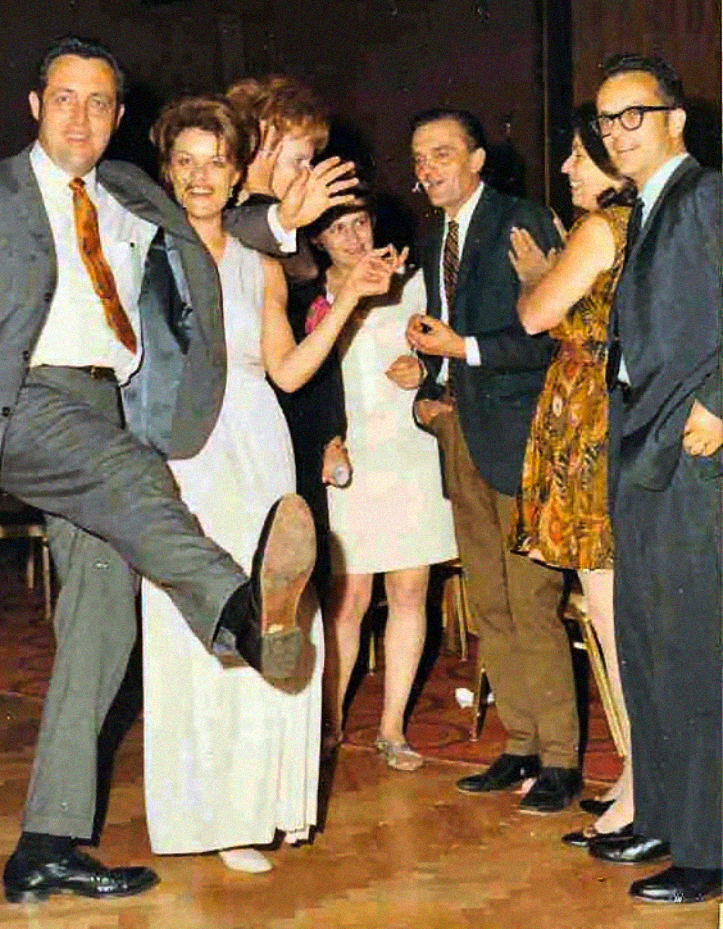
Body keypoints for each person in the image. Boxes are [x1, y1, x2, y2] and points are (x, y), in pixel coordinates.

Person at [0, 36, 357, 902]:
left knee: (104, 619)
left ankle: (47, 841)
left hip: (107, 399)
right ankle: (246, 617)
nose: (81, 116)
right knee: (139, 479)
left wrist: (287, 218)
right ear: (35, 106)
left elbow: (222, 223)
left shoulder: (128, 191)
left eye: (100, 103)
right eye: (64, 99)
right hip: (26, 400)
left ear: (117, 117)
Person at [139, 96, 405, 872]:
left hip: (258, 445)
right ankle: (217, 813)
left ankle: (271, 801)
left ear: (236, 174)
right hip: (190, 453)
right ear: (166, 173)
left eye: (214, 161)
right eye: (183, 161)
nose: (198, 176)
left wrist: (350, 299)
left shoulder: (261, 264)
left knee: (282, 618)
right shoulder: (151, 250)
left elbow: (287, 368)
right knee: (203, 622)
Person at [405, 108, 581, 813]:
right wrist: (426, 385)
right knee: (490, 602)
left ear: (477, 159)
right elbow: (443, 339)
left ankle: (564, 760)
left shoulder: (522, 220)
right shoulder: (434, 238)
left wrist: (462, 351)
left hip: (520, 435)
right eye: (419, 158)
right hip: (461, 434)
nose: (428, 168)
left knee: (533, 601)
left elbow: (548, 339)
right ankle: (521, 744)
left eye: (443, 153)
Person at [586, 54, 722, 905]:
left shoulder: (706, 194)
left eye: (631, 115)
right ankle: (668, 818)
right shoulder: (643, 209)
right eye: (604, 121)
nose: (615, 133)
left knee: (698, 648)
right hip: (643, 445)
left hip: (696, 448)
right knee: (648, 642)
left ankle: (711, 846)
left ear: (675, 118)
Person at [507, 102, 636, 842]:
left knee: (614, 620)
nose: (565, 170)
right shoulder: (637, 223)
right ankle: (634, 774)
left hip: (590, 426)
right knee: (614, 617)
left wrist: (539, 273)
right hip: (605, 416)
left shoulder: (598, 228)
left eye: (579, 159)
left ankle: (643, 788)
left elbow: (534, 314)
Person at [300, 198, 457, 768]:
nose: (351, 236)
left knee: (410, 592)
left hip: (409, 454)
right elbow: (301, 380)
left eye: (360, 223)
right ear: (316, 238)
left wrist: (425, 372)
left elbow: (444, 352)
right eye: (336, 229)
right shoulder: (310, 300)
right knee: (349, 599)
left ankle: (392, 728)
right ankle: (331, 722)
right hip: (349, 458)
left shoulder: (410, 284)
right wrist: (323, 439)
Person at [227, 75, 353, 600]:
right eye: (300, 158)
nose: (307, 173)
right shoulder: (245, 217)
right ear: (262, 139)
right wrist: (284, 218)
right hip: (266, 417)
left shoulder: (286, 227)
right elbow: (246, 223)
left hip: (298, 415)